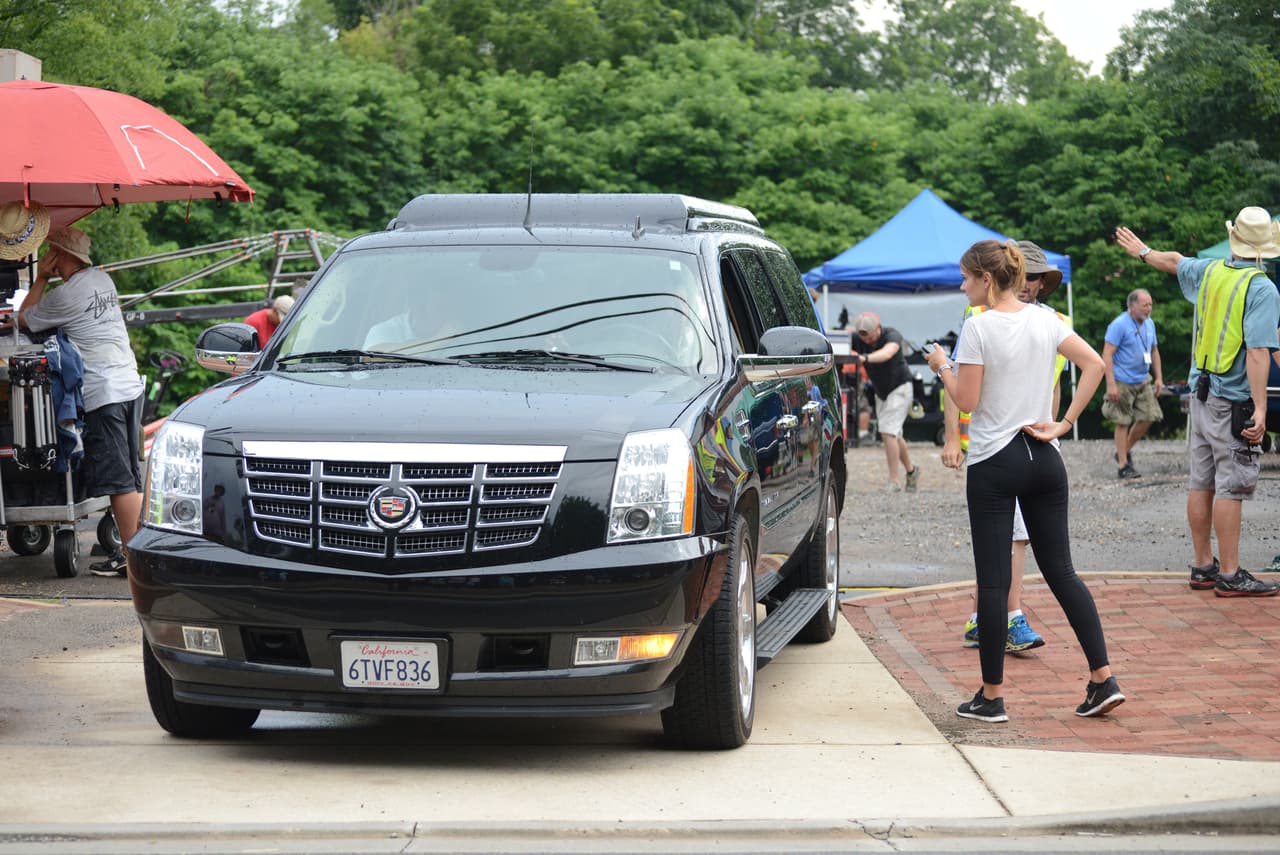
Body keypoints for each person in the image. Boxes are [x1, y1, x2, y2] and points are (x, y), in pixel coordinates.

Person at [925, 239, 1122, 724]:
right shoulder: (1047, 320)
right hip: (1045, 454)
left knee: (993, 583)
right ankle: (1103, 678)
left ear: (987, 280)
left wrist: (942, 367)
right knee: (1062, 572)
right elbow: (1095, 364)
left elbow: (967, 401)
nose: (963, 284)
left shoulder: (978, 327)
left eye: (967, 277)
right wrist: (1065, 422)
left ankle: (992, 697)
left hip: (996, 458)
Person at [1116, 209, 1280, 597]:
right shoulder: (1261, 288)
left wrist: (1143, 252)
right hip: (1233, 399)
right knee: (1231, 485)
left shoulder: (1210, 271)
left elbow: (1174, 261)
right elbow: (1258, 353)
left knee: (1201, 482)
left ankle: (1204, 566)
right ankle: (1231, 573)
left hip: (1200, 393)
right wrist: (1260, 408)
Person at [943, 240, 1066, 653]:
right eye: (1025, 275)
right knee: (1014, 544)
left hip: (1029, 445)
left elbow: (1057, 383)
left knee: (1013, 543)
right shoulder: (978, 320)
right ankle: (1007, 619)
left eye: (1036, 278)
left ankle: (989, 634)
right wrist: (951, 438)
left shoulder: (1048, 320)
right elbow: (963, 393)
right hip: (997, 446)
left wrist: (1059, 425)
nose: (1030, 284)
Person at [9, 224, 145, 578]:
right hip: (129, 384)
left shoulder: (65, 295)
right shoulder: (103, 280)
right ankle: (137, 553)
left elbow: (22, 318)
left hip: (104, 391)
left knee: (118, 482)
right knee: (131, 474)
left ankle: (137, 564)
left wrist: (40, 278)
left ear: (59, 255)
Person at [848, 311, 920, 492]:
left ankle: (894, 481)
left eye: (868, 334)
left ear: (877, 328)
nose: (865, 338)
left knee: (888, 432)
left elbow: (888, 353)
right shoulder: (858, 339)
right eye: (862, 334)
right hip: (882, 392)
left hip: (900, 387)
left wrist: (864, 358)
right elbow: (843, 337)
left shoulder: (892, 335)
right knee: (894, 434)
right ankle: (912, 471)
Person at [1102, 289, 1163, 479]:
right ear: (1132, 306)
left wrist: (1159, 377)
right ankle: (1123, 465)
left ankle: (1123, 450)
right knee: (1122, 421)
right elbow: (1107, 353)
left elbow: (1154, 351)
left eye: (1150, 304)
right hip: (1122, 380)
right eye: (1145, 305)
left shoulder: (1149, 323)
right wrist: (1110, 384)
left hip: (1143, 379)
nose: (1149, 308)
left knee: (1150, 416)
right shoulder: (1119, 325)